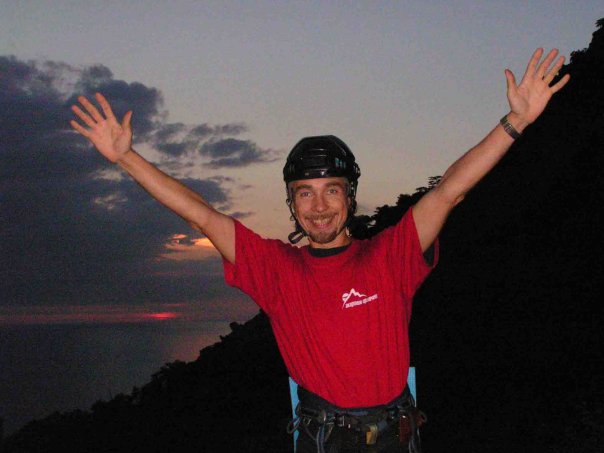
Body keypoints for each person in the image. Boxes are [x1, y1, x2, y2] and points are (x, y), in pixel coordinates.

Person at [70, 48, 570, 452]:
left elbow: (449, 192)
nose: (320, 206)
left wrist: (515, 122)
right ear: (291, 204)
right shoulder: (274, 268)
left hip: (396, 436)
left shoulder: (390, 255)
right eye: (304, 193)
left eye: (332, 189)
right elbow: (201, 215)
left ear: (350, 196)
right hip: (323, 440)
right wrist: (126, 158)